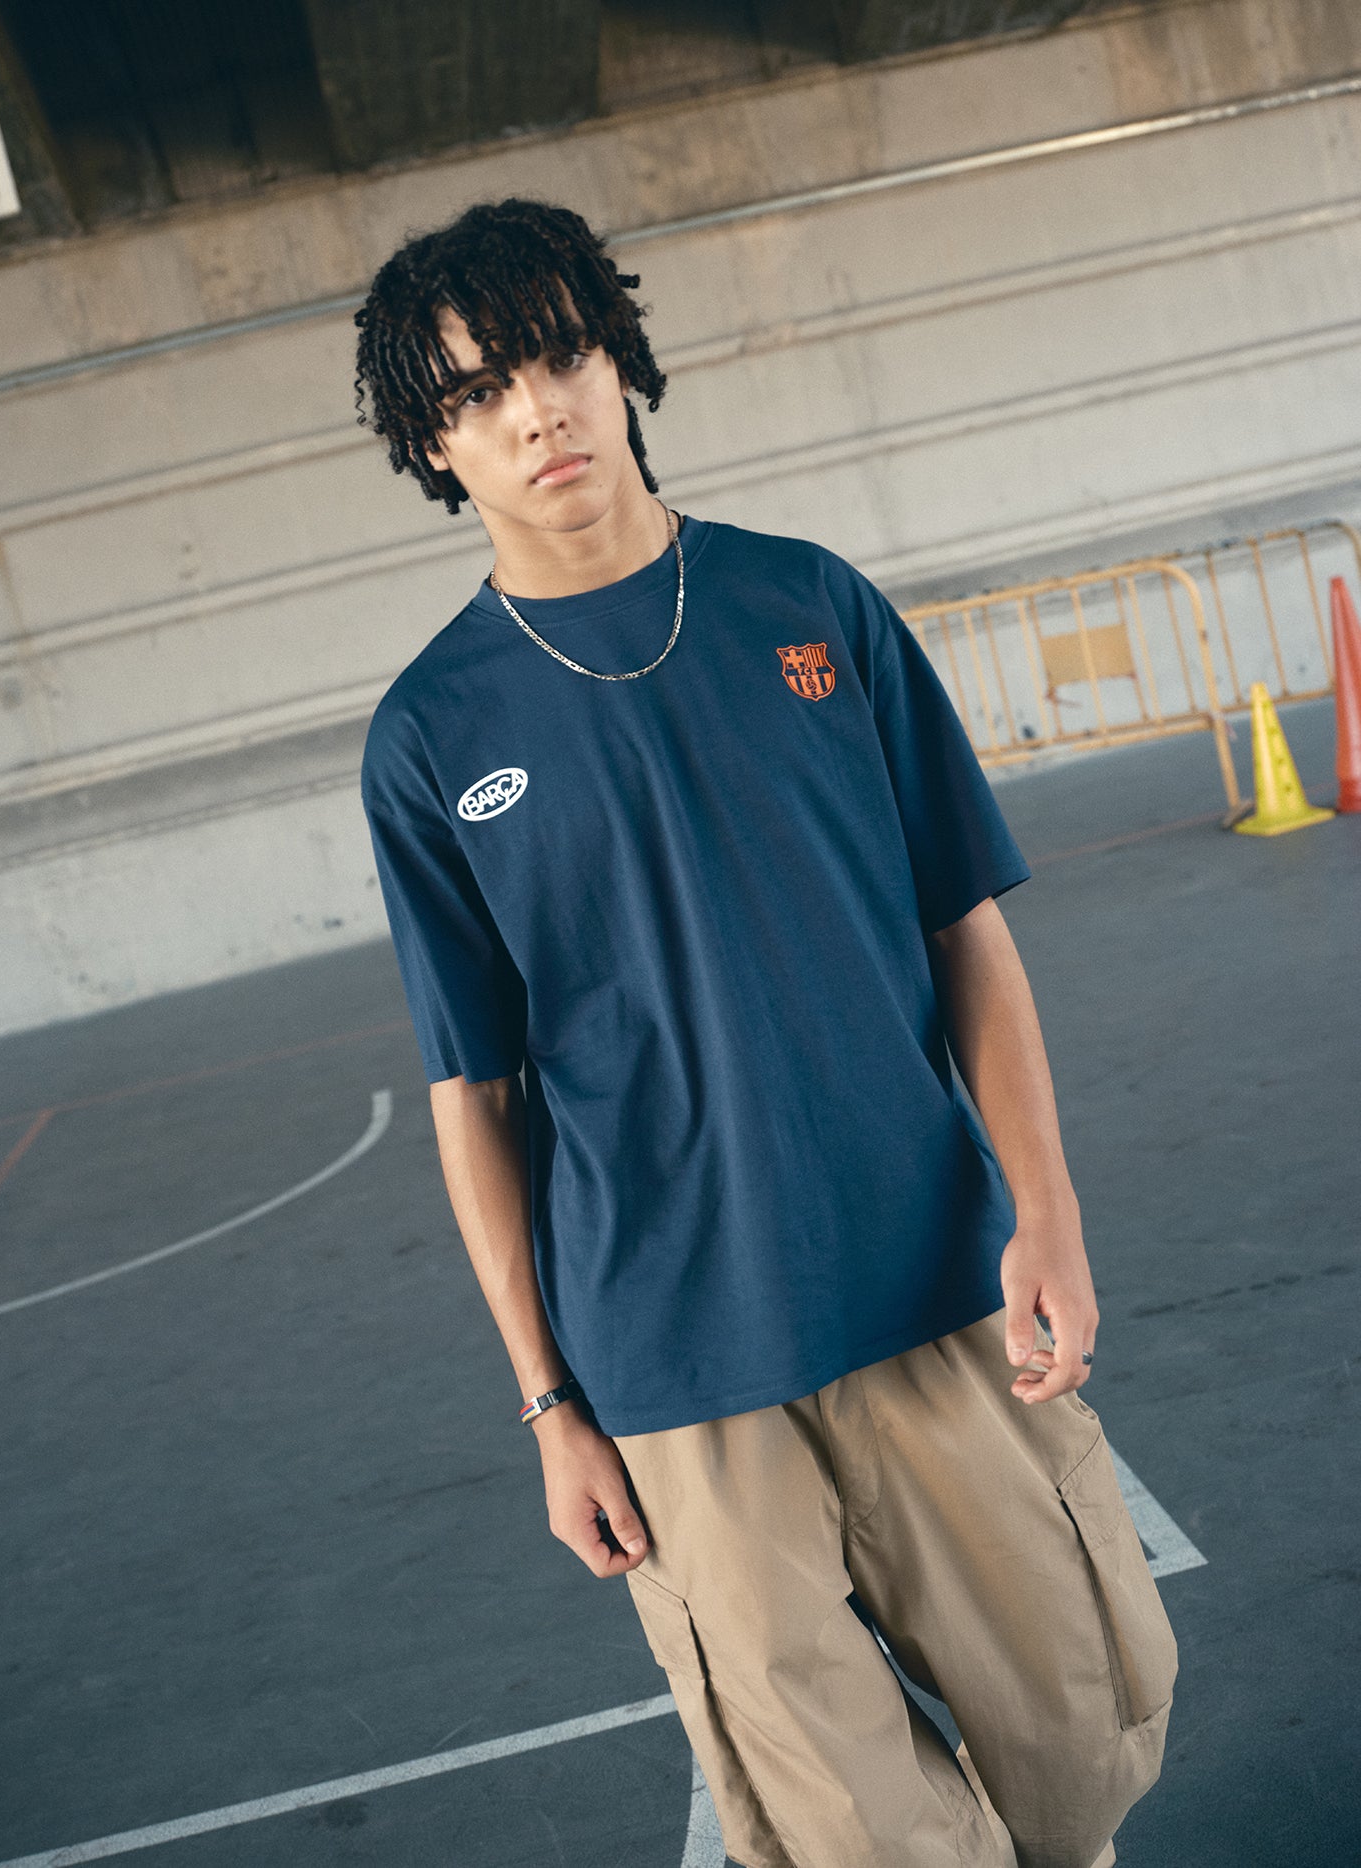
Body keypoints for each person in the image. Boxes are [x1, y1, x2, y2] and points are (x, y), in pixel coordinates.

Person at [354, 195, 1177, 1868]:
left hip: (933, 1287)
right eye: (477, 392)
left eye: (561, 352)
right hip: (674, 1370)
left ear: (623, 363)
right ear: (437, 451)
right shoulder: (432, 738)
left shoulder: (812, 605)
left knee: (1085, 1748)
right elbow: (477, 1100)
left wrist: (1051, 1214)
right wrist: (548, 1404)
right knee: (856, 1840)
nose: (537, 409)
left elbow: (971, 936)